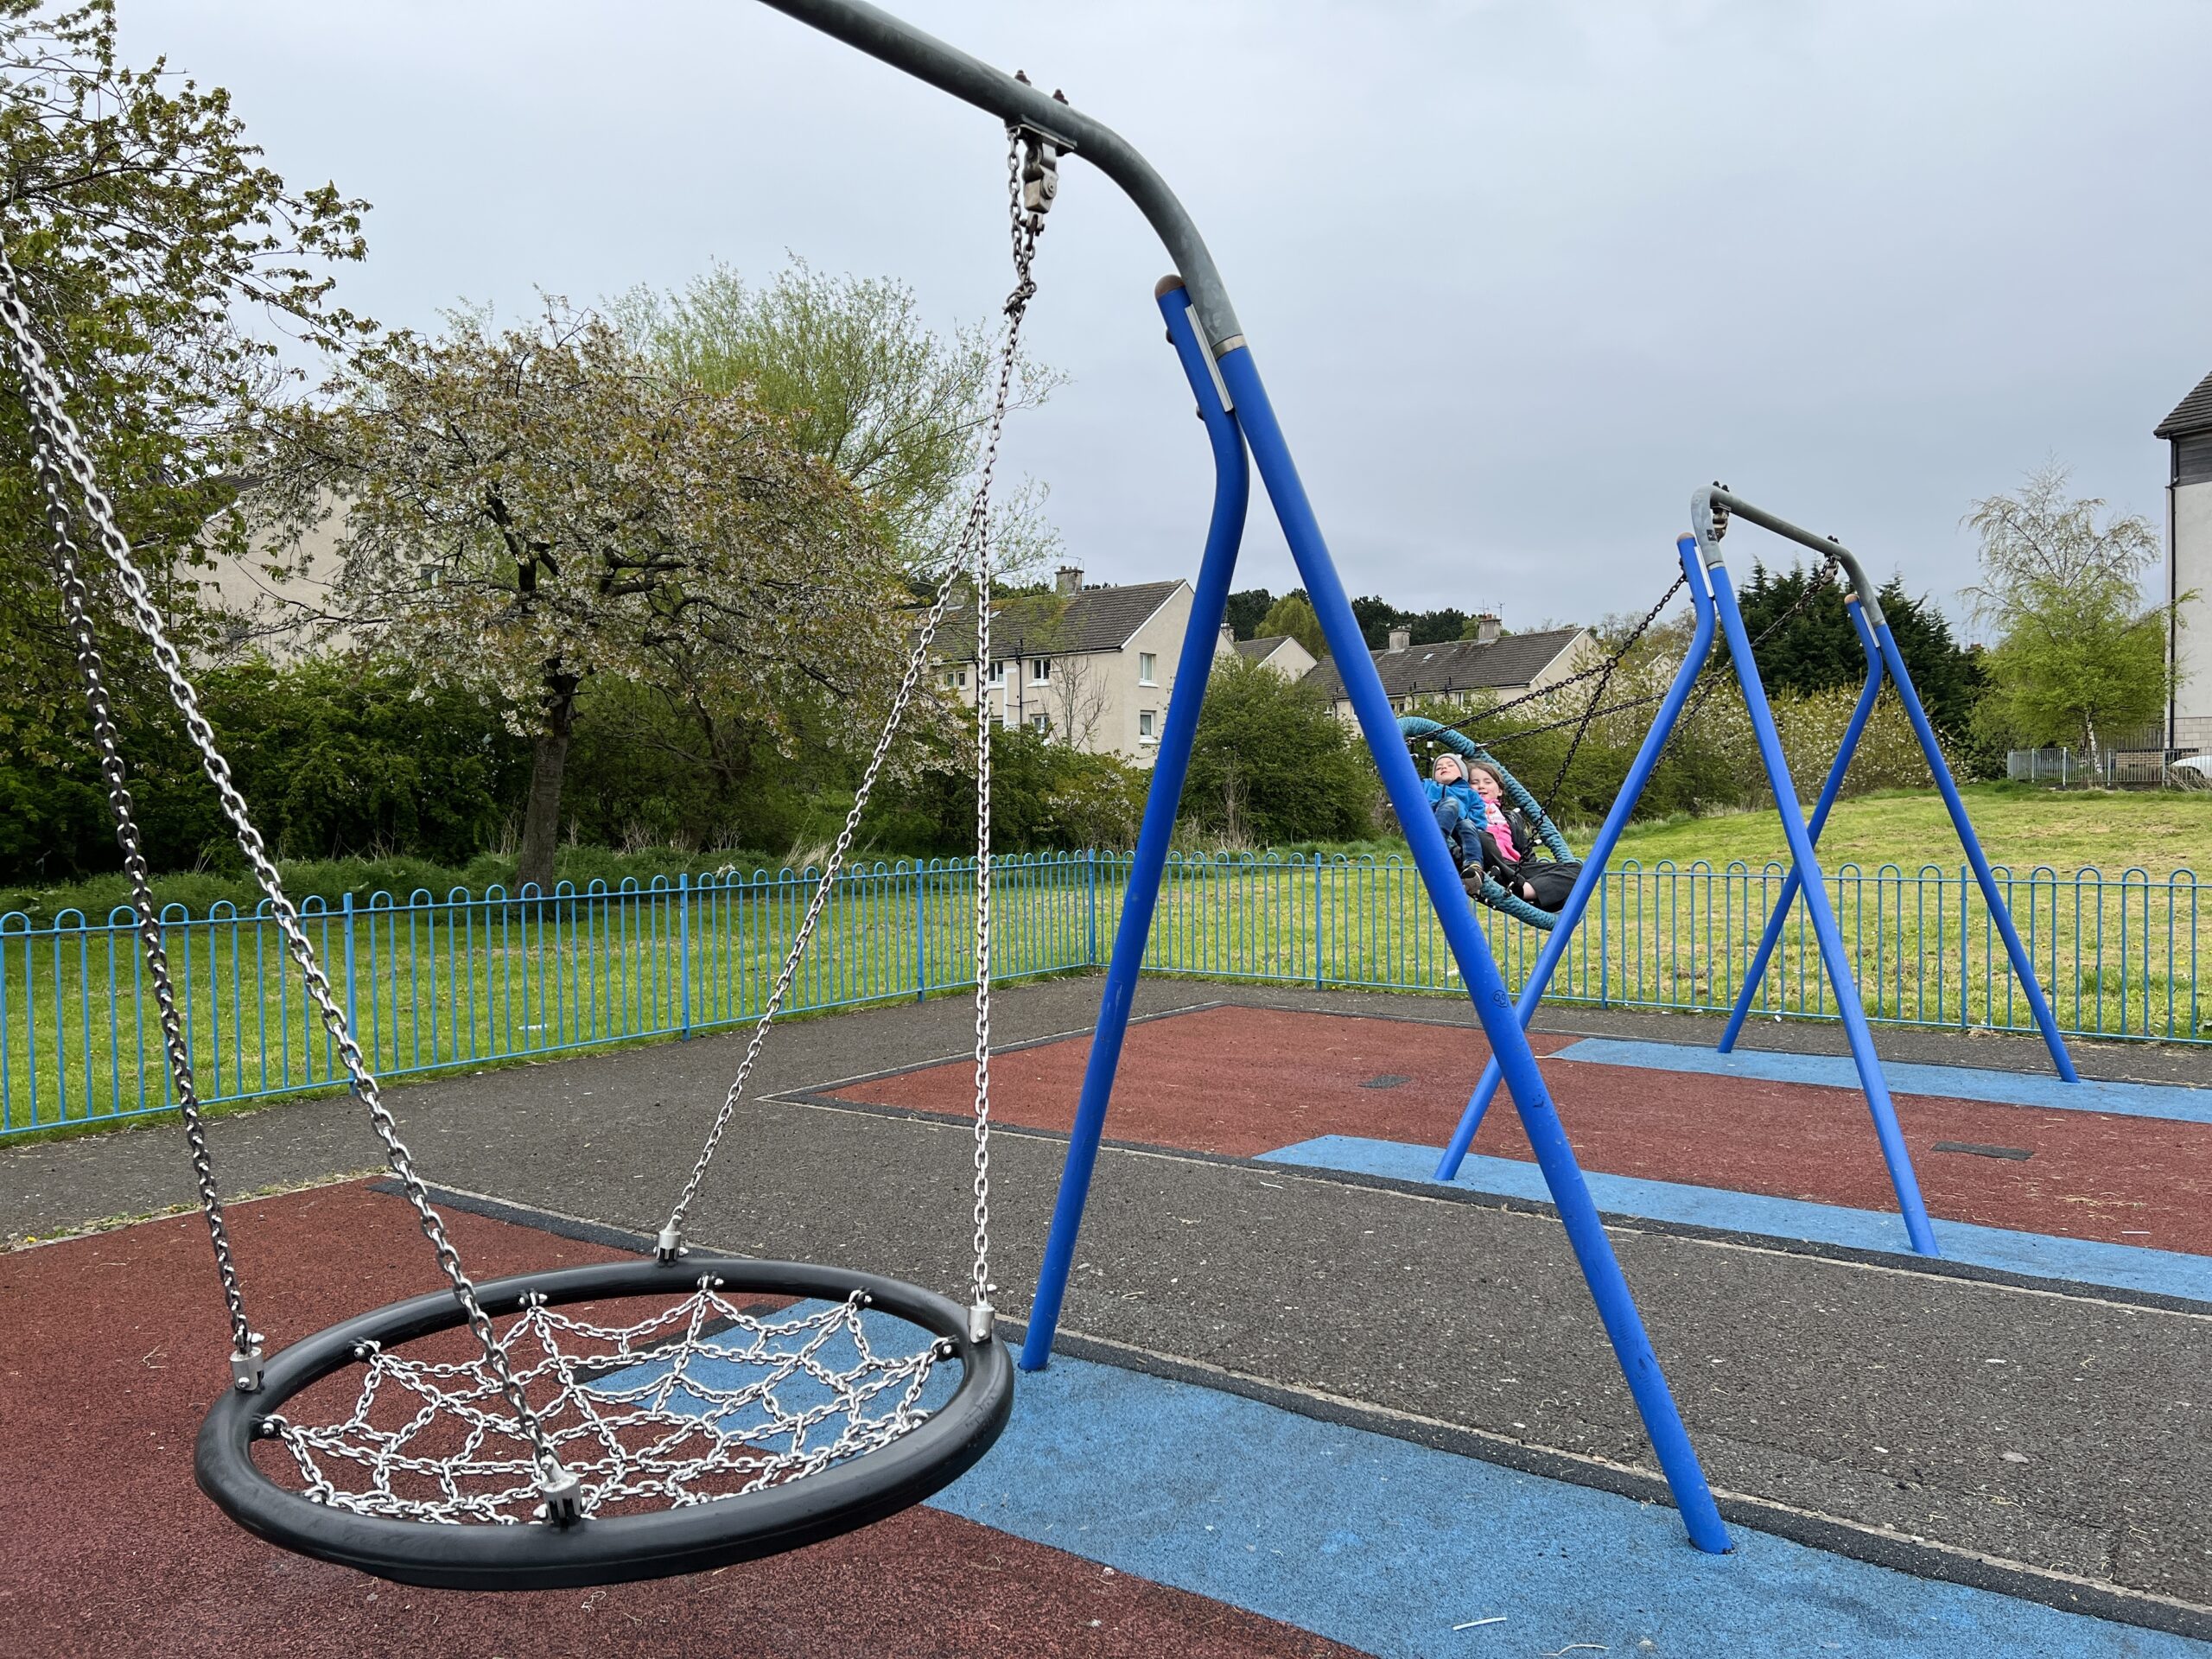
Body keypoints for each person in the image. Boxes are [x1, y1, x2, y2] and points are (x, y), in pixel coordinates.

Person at [1463, 760, 1581, 913]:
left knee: (1577, 869)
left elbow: (1525, 849)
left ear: (1500, 790)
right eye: (1474, 782)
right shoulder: (1465, 811)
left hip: (1516, 868)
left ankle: (1525, 891)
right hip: (1490, 866)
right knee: (1483, 838)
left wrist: (1535, 872)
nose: (1481, 786)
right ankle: (1520, 887)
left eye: (1487, 782)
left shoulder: (1511, 817)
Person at [1421, 752, 1482, 872]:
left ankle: (1473, 866)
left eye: (1450, 765)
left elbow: (1478, 817)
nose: (1444, 767)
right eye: (1438, 768)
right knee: (1451, 803)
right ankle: (1437, 843)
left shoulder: (1470, 793)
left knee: (1468, 824)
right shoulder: (1428, 785)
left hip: (1459, 828)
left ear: (1462, 772)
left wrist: (1477, 831)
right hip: (1434, 816)